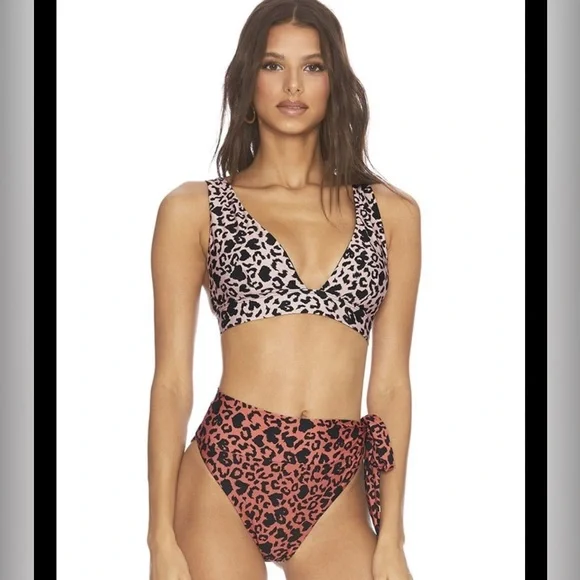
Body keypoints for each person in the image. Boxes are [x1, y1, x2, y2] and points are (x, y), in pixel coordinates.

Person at [146, 0, 421, 578]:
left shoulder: (393, 214)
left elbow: (391, 385)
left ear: (334, 83)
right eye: (273, 65)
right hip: (225, 471)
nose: (293, 84)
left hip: (337, 485)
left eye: (312, 67)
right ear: (248, 81)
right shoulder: (194, 209)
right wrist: (159, 540)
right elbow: (171, 382)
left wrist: (392, 536)